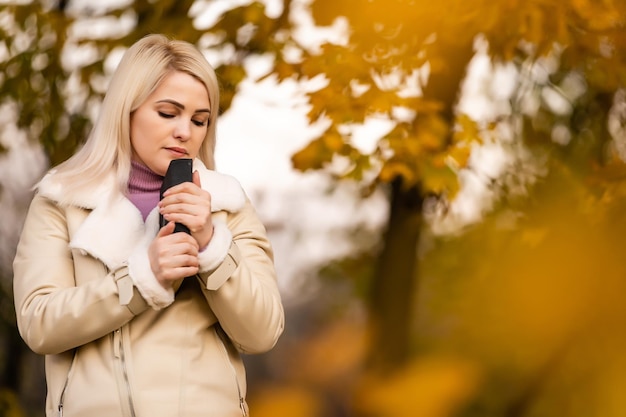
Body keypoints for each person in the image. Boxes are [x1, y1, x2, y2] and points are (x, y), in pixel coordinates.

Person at [12, 34, 284, 417]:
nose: (185, 132)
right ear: (128, 109)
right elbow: (39, 324)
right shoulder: (62, 200)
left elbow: (262, 333)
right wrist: (143, 277)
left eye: (199, 120)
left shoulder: (226, 206)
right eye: (168, 113)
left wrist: (211, 245)